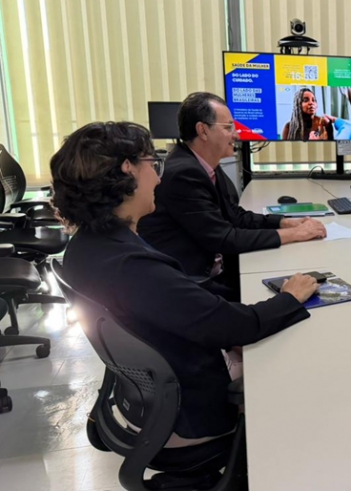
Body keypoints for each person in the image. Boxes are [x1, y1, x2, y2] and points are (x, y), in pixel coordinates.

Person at [52, 121, 319, 443]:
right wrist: (290, 296)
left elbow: (186, 299)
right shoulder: (130, 265)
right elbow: (237, 328)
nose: (159, 176)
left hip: (160, 390)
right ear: (128, 170)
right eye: (152, 164)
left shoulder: (89, 245)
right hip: (193, 405)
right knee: (310, 358)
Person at [137, 92, 325, 300]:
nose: (236, 134)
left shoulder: (204, 164)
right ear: (203, 131)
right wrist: (297, 234)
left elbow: (235, 216)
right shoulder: (183, 173)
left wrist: (284, 223)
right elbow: (224, 238)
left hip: (218, 269)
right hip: (197, 284)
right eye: (228, 128)